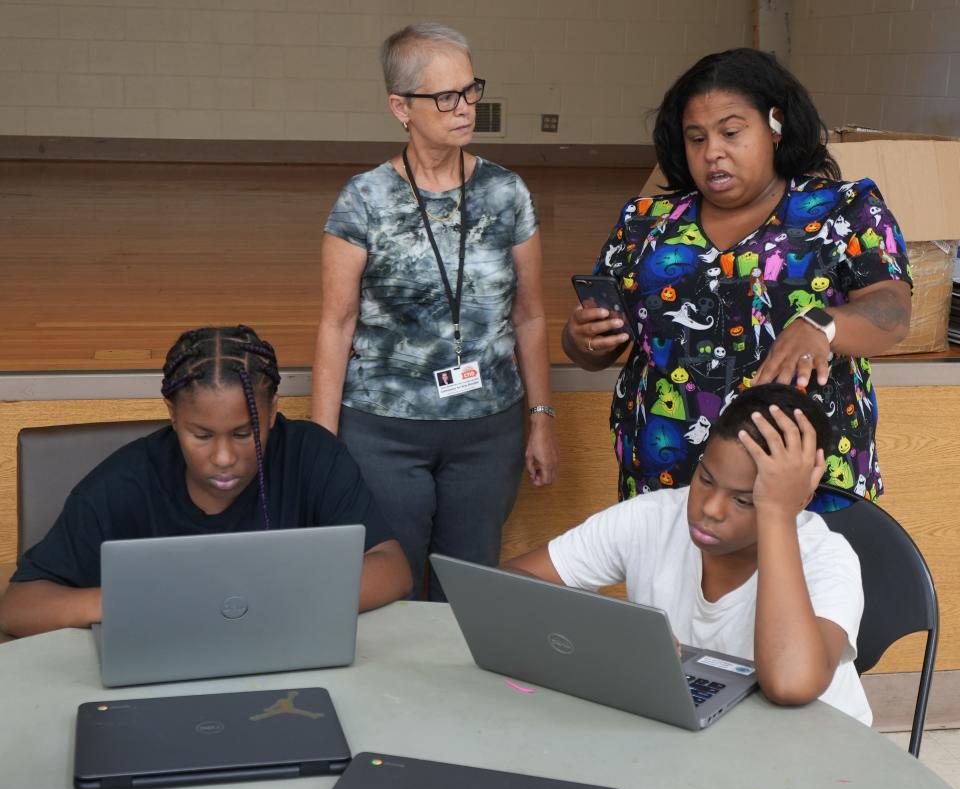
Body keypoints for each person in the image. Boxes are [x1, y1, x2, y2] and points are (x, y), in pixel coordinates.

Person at [562, 48, 911, 509]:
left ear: (775, 125)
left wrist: (824, 325)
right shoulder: (645, 223)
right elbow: (594, 349)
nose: (713, 153)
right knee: (673, 584)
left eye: (730, 132)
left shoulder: (843, 209)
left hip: (801, 480)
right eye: (696, 138)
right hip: (667, 475)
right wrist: (581, 339)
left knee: (802, 583)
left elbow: (893, 310)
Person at [312, 22, 558, 601]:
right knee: (389, 591)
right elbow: (336, 323)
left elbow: (530, 315)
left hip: (488, 429)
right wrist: (322, 448)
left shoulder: (507, 193)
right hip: (383, 429)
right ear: (401, 107)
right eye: (445, 97)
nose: (465, 107)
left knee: (466, 591)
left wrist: (542, 417)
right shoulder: (364, 198)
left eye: (471, 90)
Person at [0, 325, 412, 637]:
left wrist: (262, 602)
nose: (223, 458)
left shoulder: (313, 456)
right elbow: (18, 608)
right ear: (172, 416)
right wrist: (128, 602)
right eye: (201, 435)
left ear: (271, 415)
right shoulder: (123, 483)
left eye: (243, 433)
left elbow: (392, 569)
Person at [504, 384, 871, 724]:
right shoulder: (652, 518)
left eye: (744, 500)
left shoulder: (827, 557)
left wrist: (777, 513)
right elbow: (507, 584)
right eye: (706, 479)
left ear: (798, 500)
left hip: (816, 755)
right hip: (702, 737)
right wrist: (606, 633)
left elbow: (790, 685)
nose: (710, 508)